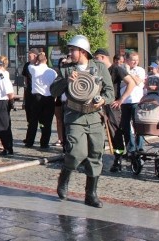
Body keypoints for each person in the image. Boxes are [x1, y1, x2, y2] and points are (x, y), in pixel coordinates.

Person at [51, 35, 114, 208]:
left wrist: (103, 100)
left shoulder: (99, 67)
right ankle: (64, 177)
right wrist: (65, 80)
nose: (70, 53)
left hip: (94, 117)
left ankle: (90, 194)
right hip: (74, 117)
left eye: (73, 50)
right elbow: (53, 91)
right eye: (69, 50)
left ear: (83, 51)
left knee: (95, 154)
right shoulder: (66, 69)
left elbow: (110, 92)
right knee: (76, 153)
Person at [94, 49, 136, 172]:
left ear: (102, 57)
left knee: (115, 133)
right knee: (97, 132)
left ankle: (118, 159)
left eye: (96, 58)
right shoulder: (97, 70)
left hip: (112, 105)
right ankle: (97, 159)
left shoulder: (116, 69)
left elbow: (131, 83)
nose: (95, 61)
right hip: (97, 104)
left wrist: (121, 100)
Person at [25, 52, 57, 149]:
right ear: (46, 60)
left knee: (33, 121)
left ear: (38, 61)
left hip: (37, 97)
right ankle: (44, 143)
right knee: (47, 122)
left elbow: (30, 64)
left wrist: (34, 61)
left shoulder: (33, 69)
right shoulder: (52, 72)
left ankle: (30, 142)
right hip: (49, 98)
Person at [119, 52, 146, 156]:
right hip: (125, 102)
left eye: (137, 60)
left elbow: (138, 82)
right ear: (127, 60)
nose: (135, 62)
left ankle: (140, 147)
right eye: (133, 60)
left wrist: (129, 72)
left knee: (138, 125)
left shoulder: (140, 70)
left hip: (137, 101)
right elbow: (120, 84)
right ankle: (130, 149)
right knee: (126, 126)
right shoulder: (121, 69)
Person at [22, 48, 40, 144]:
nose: (28, 57)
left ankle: (41, 138)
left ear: (35, 56)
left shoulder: (39, 65)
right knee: (29, 117)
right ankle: (29, 137)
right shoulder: (27, 65)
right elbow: (25, 79)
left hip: (37, 93)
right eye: (28, 55)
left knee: (38, 117)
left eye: (30, 55)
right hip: (29, 92)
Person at [54, 56, 68, 148]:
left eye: (65, 63)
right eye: (61, 63)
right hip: (59, 98)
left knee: (67, 121)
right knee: (59, 120)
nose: (63, 64)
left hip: (68, 100)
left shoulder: (70, 72)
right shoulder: (57, 74)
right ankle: (60, 138)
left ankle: (66, 139)